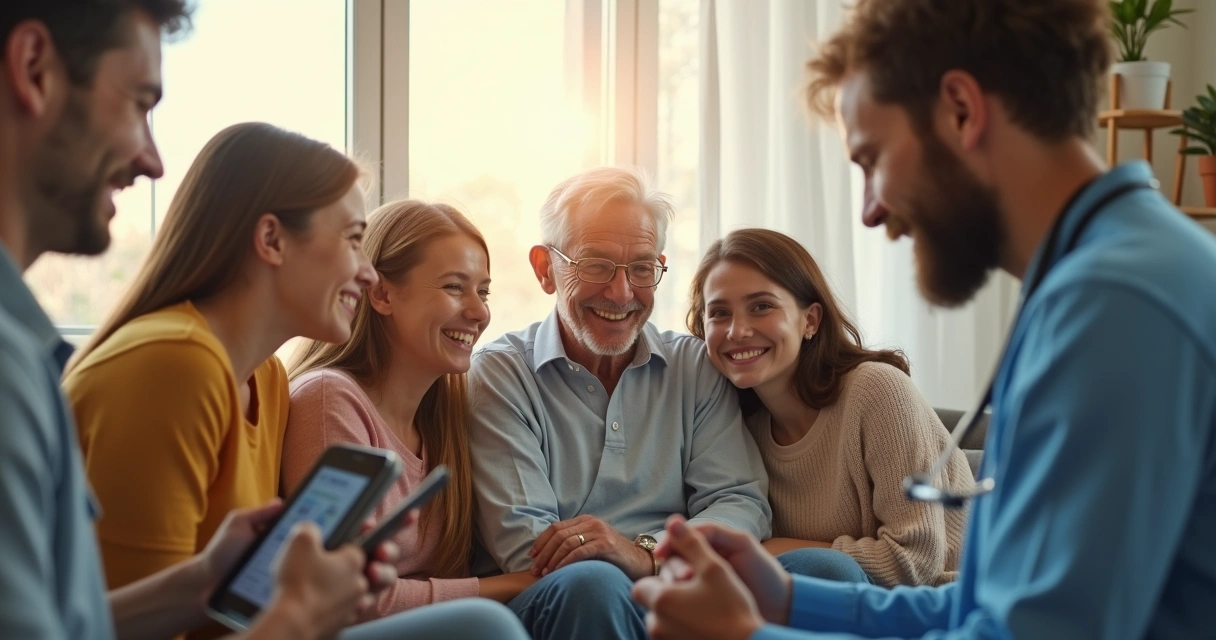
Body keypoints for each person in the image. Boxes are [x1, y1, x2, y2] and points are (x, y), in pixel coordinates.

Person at [631, 1, 1216, 638]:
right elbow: (982, 605)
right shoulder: (1091, 282)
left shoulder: (1117, 305)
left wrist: (748, 637)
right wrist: (790, 601)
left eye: (872, 159)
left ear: (961, 110)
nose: (870, 212)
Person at [0, 2, 528, 639]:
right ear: (272, 241)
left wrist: (205, 584)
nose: (366, 273)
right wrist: (297, 615)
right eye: (352, 239)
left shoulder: (268, 380)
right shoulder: (175, 363)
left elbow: (84, 624)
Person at [468, 166, 772, 640]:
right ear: (546, 269)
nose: (621, 292)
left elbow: (738, 501)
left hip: (674, 581)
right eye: (595, 265)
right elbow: (530, 548)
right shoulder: (501, 373)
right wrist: (656, 562)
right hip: (564, 597)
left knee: (824, 567)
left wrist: (647, 556)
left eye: (642, 268)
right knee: (594, 583)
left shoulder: (694, 365)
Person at [284, 199, 537, 618]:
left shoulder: (445, 420)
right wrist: (512, 584)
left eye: (484, 291)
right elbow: (346, 597)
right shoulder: (330, 400)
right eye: (455, 287)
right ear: (382, 293)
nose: (480, 312)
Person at [688, 228, 972, 587]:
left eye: (761, 306)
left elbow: (914, 561)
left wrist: (775, 548)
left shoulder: (877, 390)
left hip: (943, 613)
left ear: (810, 320)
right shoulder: (733, 426)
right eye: (719, 313)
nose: (737, 331)